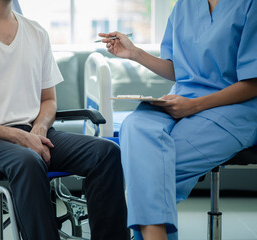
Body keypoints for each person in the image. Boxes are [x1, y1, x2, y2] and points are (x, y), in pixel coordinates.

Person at [0, 0, 129, 239]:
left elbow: (49, 101)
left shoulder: (36, 33)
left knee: (106, 153)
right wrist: (20, 137)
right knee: (28, 160)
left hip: (33, 133)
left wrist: (39, 129)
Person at [99, 0, 257, 239]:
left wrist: (195, 105)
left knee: (149, 169)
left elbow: (253, 83)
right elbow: (177, 69)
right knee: (134, 125)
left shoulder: (249, 5)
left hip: (233, 108)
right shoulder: (184, 5)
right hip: (181, 98)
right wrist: (135, 53)